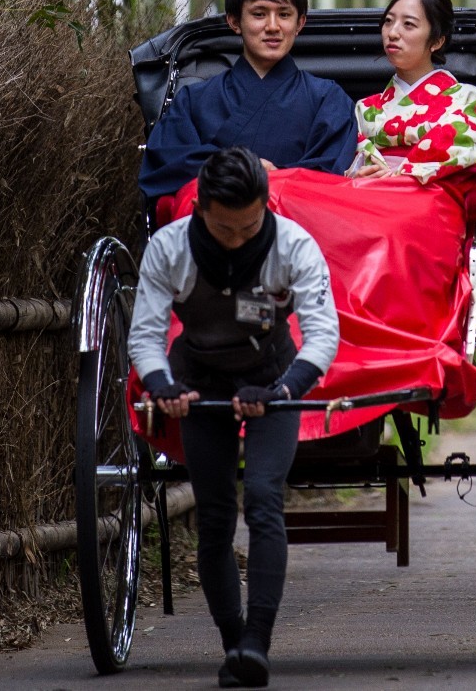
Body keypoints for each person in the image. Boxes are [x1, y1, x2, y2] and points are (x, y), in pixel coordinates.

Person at [130, 146, 339, 688]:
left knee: (265, 500)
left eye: (251, 227)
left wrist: (284, 389)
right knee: (218, 515)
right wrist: (163, 387)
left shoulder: (293, 244)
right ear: (200, 208)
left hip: (273, 378)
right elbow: (147, 337)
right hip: (199, 383)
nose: (240, 238)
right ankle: (232, 641)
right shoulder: (168, 249)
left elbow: (322, 336)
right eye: (226, 229)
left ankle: (258, 642)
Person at [139, 0, 359, 201]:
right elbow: (168, 162)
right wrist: (240, 169)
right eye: (259, 14)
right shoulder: (194, 100)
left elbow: (333, 175)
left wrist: (277, 178)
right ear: (234, 22)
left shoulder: (327, 99)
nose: (273, 26)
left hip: (299, 223)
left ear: (300, 24)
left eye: (284, 14)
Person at [347, 0, 476, 184]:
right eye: (388, 22)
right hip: (372, 198)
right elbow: (351, 165)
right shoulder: (364, 108)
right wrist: (359, 174)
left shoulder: (467, 99)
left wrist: (399, 178)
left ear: (436, 41)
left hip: (432, 200)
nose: (392, 33)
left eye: (408, 24)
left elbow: (468, 164)